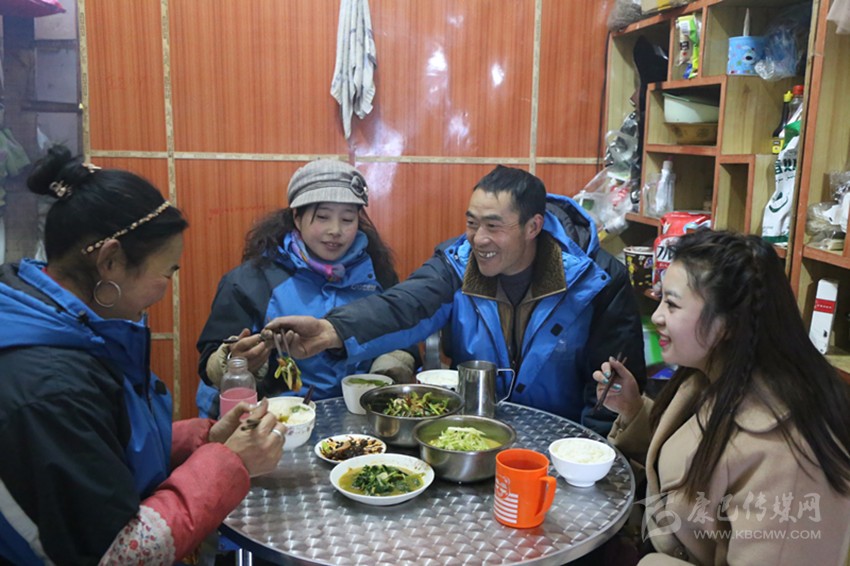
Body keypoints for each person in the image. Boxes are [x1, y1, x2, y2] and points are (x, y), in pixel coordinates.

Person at [0, 146, 284, 565]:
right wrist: (229, 462)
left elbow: (101, 451)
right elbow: (121, 553)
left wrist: (204, 440)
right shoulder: (50, 387)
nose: (166, 289)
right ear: (111, 261)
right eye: (167, 271)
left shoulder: (67, 324)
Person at [267, 165, 646, 431]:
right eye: (472, 223)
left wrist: (590, 455)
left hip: (563, 445)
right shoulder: (458, 265)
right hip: (472, 437)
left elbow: (611, 388)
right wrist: (330, 331)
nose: (479, 239)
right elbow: (405, 305)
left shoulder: (596, 281)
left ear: (533, 226)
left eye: (493, 226)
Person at [594, 229, 850, 565]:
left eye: (672, 304)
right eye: (660, 299)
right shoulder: (710, 377)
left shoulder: (789, 457)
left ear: (727, 324)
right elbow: (687, 467)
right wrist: (632, 410)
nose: (656, 316)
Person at [196, 159, 416, 418]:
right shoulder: (249, 281)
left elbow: (404, 338)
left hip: (359, 418)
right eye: (322, 217)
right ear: (297, 218)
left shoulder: (376, 274)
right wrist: (236, 363)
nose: (336, 230)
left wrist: (385, 375)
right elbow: (211, 366)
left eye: (347, 219)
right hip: (276, 421)